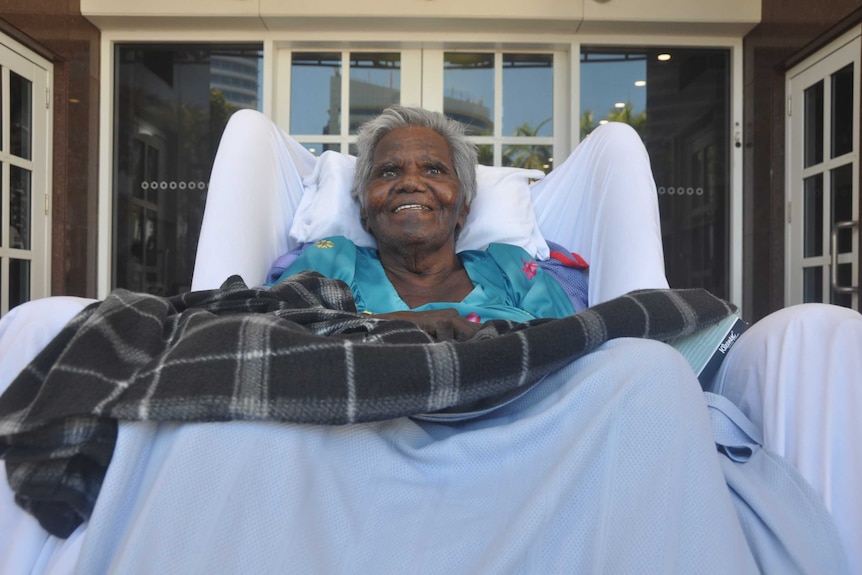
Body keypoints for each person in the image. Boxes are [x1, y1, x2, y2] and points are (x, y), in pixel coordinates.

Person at [0, 106, 856, 574]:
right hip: (364, 434)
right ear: (366, 201)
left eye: (432, 168)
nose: (410, 181)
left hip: (521, 437)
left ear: (461, 199)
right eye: (387, 171)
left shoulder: (523, 276)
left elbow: (574, 351)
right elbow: (260, 335)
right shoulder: (323, 261)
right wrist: (397, 330)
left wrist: (491, 348)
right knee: (226, 412)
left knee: (640, 371)